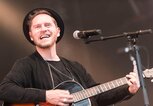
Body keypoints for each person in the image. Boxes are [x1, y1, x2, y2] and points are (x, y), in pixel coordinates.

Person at [0, 7, 139, 106]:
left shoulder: (75, 67)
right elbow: (4, 90)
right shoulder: (26, 64)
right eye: (37, 27)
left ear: (58, 31)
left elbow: (98, 98)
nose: (43, 29)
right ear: (31, 35)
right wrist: (46, 96)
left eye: (48, 25)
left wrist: (128, 90)